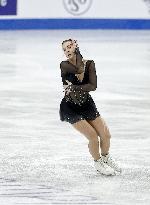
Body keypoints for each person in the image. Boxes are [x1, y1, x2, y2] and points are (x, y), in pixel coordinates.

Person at [59, 39, 121, 175]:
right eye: (64, 49)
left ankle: (105, 158)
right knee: (93, 137)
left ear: (75, 46)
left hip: (86, 103)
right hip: (70, 107)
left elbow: (93, 86)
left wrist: (74, 87)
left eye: (69, 47)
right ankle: (98, 163)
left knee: (106, 135)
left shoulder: (90, 63)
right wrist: (78, 53)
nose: (67, 50)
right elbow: (79, 69)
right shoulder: (64, 65)